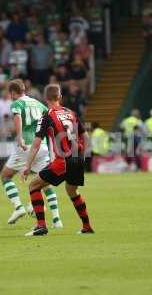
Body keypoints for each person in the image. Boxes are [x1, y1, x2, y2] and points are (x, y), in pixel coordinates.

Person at [21, 84, 94, 236]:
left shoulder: (47, 116)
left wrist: (27, 165)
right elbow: (86, 137)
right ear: (60, 97)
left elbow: (36, 143)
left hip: (63, 161)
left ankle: (41, 226)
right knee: (72, 190)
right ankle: (87, 226)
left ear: (45, 98)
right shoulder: (71, 113)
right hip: (78, 159)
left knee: (33, 185)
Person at [0, 79, 62, 228]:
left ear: (13, 93)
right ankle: (56, 219)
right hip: (42, 146)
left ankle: (18, 207)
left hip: (26, 146)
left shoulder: (16, 104)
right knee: (44, 182)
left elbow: (18, 118)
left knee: (6, 176)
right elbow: (50, 120)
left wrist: (20, 137)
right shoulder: (37, 103)